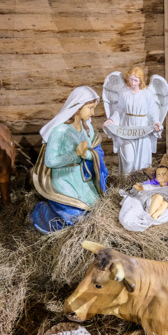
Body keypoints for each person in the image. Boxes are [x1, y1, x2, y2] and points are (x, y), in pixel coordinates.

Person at [30, 86, 108, 233]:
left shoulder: (86, 128)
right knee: (75, 221)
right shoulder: (60, 131)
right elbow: (51, 161)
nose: (93, 113)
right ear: (78, 108)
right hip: (64, 179)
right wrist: (76, 155)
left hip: (81, 178)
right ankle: (41, 212)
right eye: (90, 108)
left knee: (96, 213)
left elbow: (90, 152)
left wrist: (86, 155)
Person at [103, 66, 168, 174]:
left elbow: (153, 111)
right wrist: (112, 120)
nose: (133, 83)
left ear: (140, 80)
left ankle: (139, 187)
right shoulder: (124, 92)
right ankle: (125, 184)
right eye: (131, 79)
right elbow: (119, 109)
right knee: (128, 160)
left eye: (136, 80)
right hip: (127, 129)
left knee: (142, 163)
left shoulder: (147, 93)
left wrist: (156, 122)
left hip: (143, 130)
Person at [119, 155, 168, 232]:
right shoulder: (155, 187)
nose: (161, 176)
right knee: (159, 196)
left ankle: (154, 216)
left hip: (166, 202)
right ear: (156, 178)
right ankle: (150, 215)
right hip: (153, 201)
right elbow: (148, 187)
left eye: (164, 174)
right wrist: (141, 188)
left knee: (165, 204)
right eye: (159, 174)